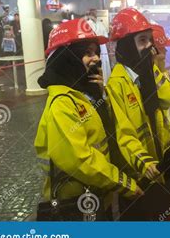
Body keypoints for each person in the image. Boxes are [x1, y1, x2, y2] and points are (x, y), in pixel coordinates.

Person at [34, 19, 143, 221]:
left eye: (95, 52)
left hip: (98, 196)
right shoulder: (62, 104)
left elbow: (110, 131)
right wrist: (123, 183)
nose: (96, 59)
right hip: (76, 205)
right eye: (87, 53)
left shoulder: (83, 94)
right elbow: (81, 160)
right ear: (68, 58)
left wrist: (101, 95)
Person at [105, 8, 170, 221]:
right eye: (142, 41)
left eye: (150, 40)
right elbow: (124, 135)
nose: (150, 47)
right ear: (127, 45)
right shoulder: (116, 86)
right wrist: (145, 163)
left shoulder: (149, 72)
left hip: (162, 168)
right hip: (140, 178)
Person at [86, 8, 111, 85]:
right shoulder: (87, 24)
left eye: (95, 13)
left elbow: (106, 35)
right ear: (90, 14)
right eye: (93, 13)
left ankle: (106, 83)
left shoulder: (100, 23)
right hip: (93, 48)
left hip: (102, 47)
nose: (94, 15)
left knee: (104, 63)